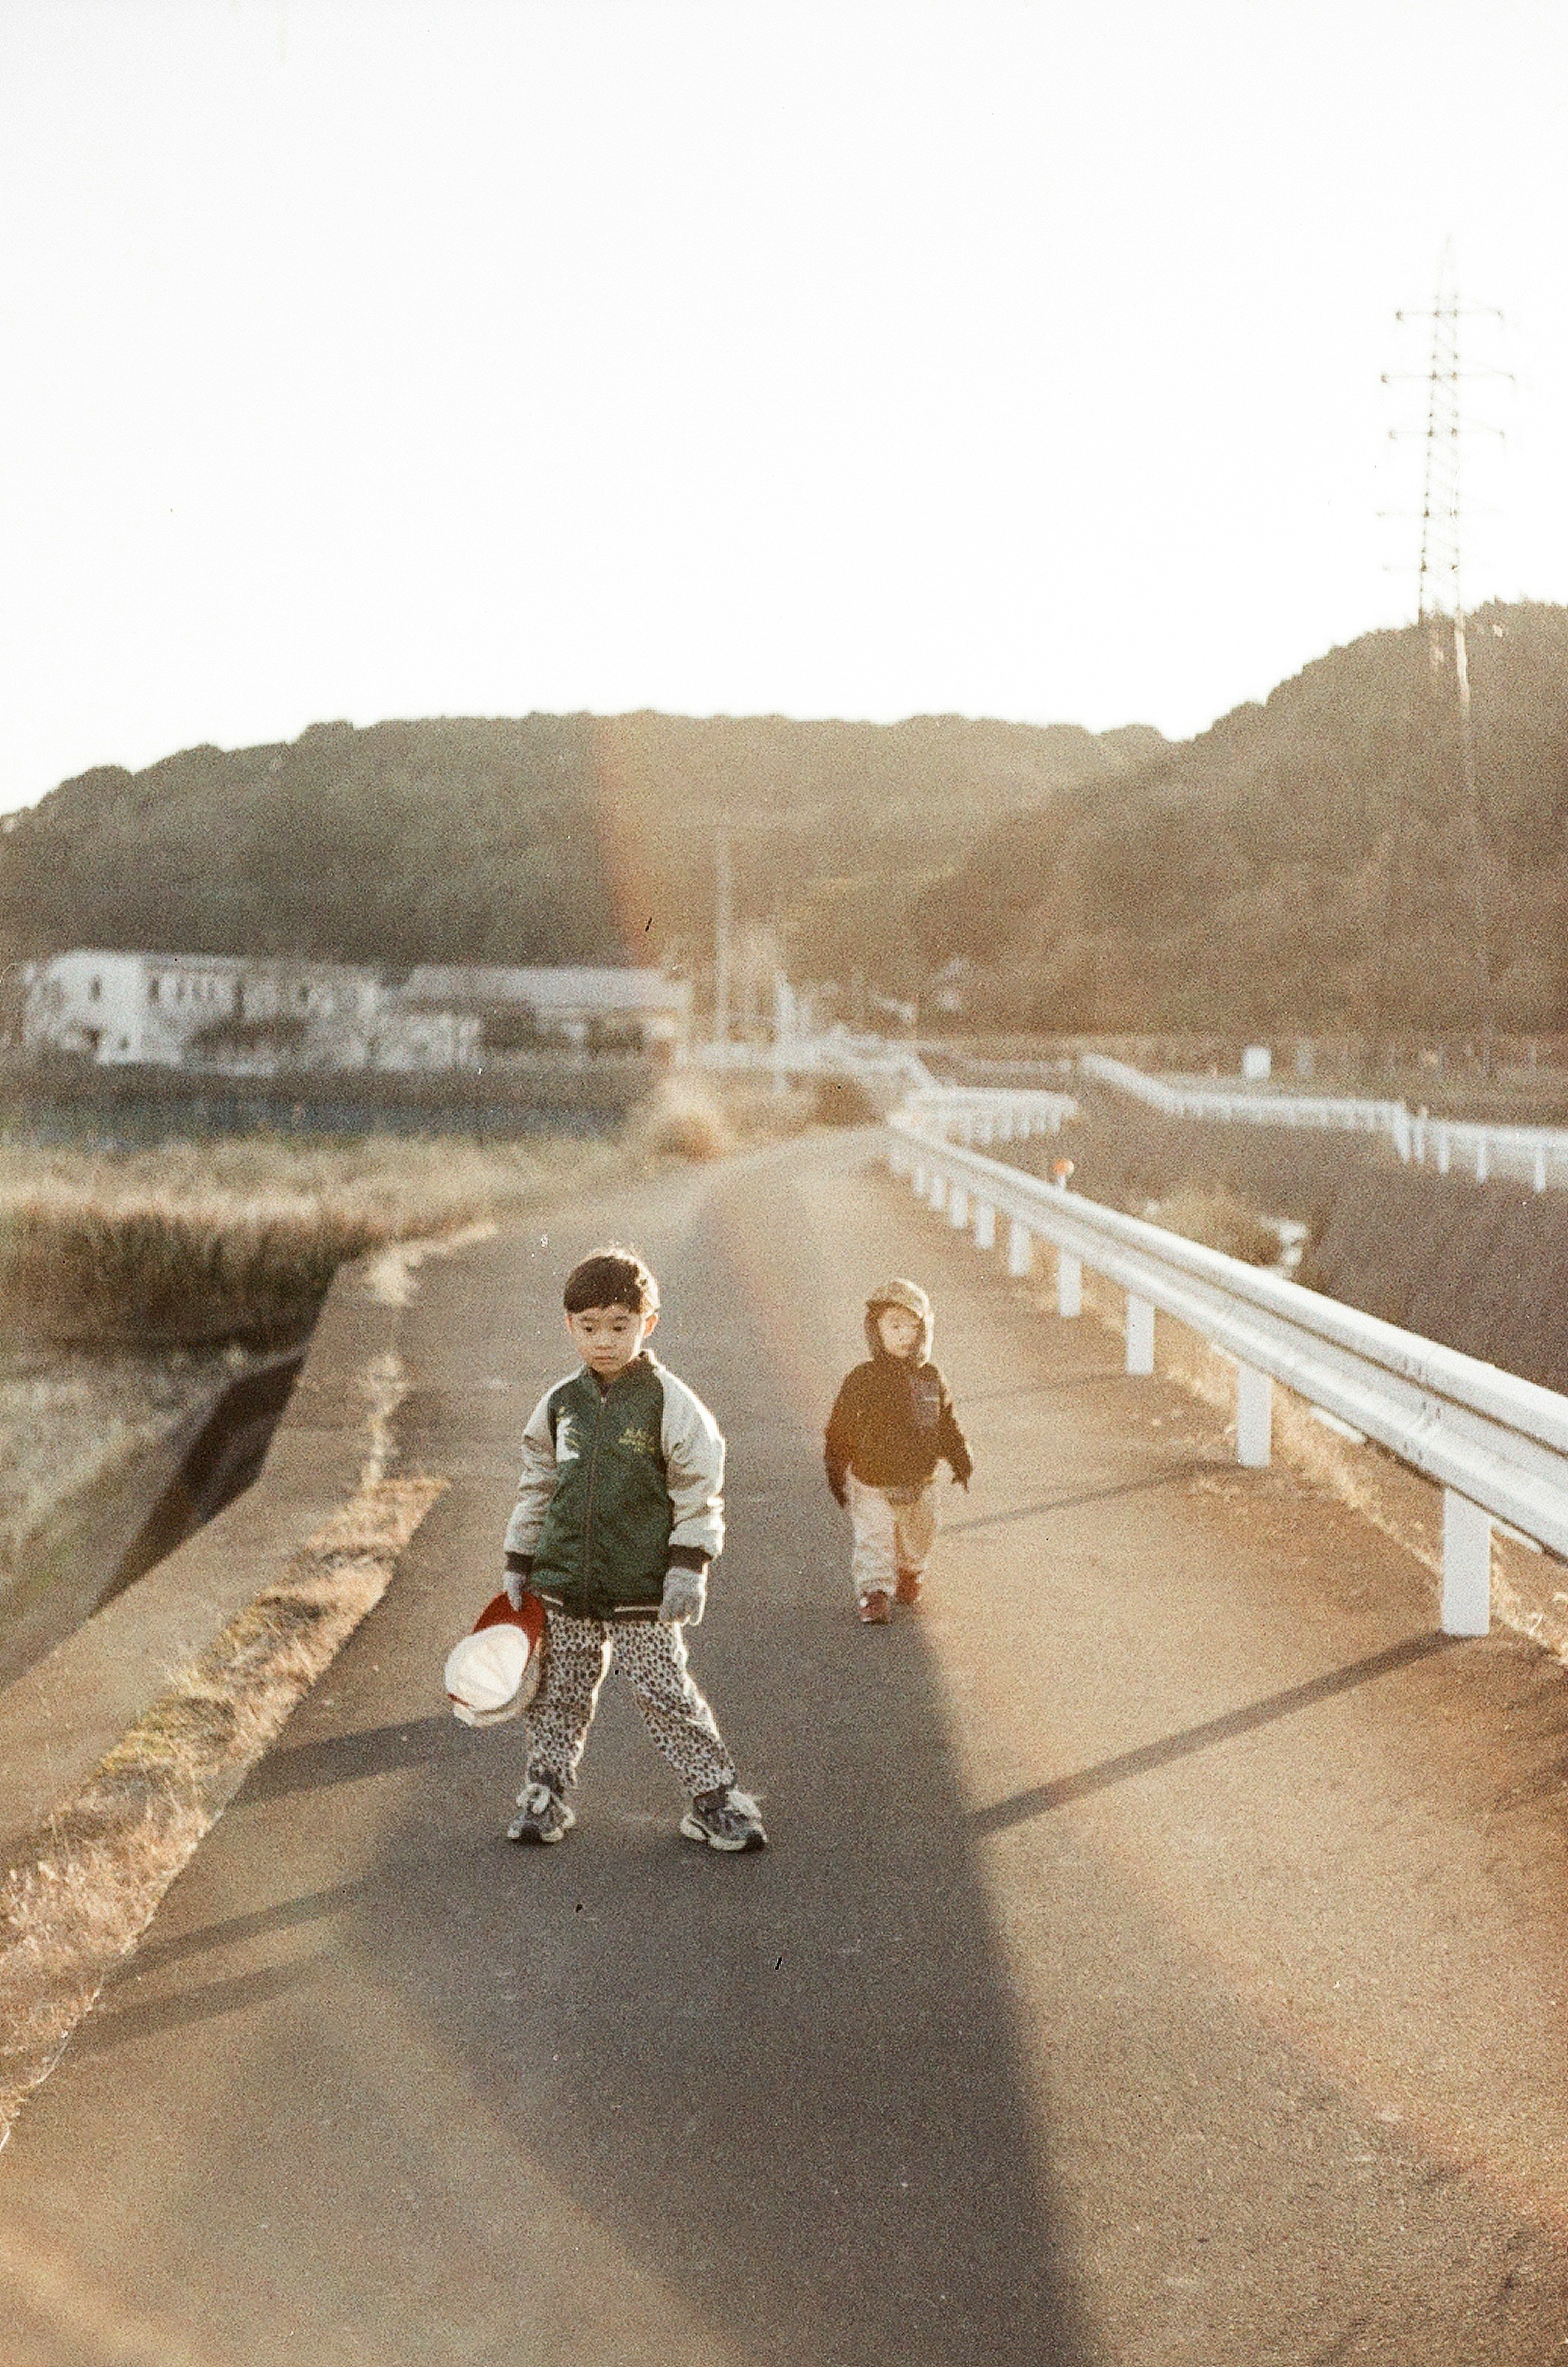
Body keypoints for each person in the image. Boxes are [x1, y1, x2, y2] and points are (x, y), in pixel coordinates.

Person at [501, 1244, 766, 1852]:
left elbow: (700, 1488)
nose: (604, 1341)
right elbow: (537, 1485)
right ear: (569, 1326)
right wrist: (519, 1562)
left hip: (644, 1585)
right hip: (564, 1581)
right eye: (589, 1328)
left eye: (620, 1327)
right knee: (558, 1692)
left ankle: (714, 1798)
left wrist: (688, 1567)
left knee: (663, 1691)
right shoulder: (559, 1405)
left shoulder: (671, 1402)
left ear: (647, 1324)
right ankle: (545, 1791)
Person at [824, 1276, 973, 1624]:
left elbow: (947, 1425)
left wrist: (961, 1459)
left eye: (912, 1327)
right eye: (894, 1326)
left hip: (920, 1481)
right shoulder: (862, 1379)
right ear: (876, 1332)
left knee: (918, 1537)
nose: (904, 1335)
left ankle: (911, 1571)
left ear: (925, 1332)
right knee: (874, 1540)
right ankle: (874, 1593)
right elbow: (840, 1428)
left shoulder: (931, 1379)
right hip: (871, 1481)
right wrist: (836, 1468)